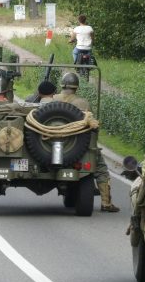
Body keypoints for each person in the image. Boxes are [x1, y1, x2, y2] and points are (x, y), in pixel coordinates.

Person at [49, 72, 119, 212]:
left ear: (62, 84)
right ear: (76, 87)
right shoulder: (83, 103)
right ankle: (106, 203)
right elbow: (91, 124)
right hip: (76, 145)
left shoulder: (51, 101)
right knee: (100, 169)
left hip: (47, 145)